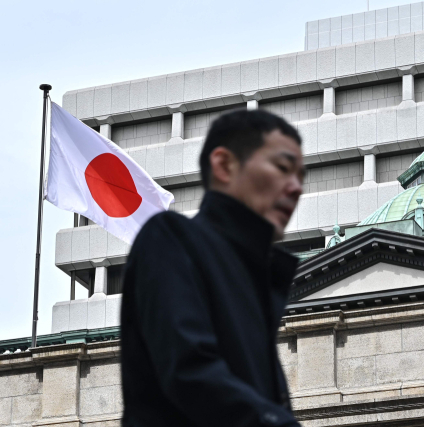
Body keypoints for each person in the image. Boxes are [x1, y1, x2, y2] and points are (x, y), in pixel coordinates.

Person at [120, 109, 305, 427]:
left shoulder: (254, 278)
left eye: (301, 177)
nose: (296, 187)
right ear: (224, 164)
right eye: (283, 167)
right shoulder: (171, 238)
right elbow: (190, 369)